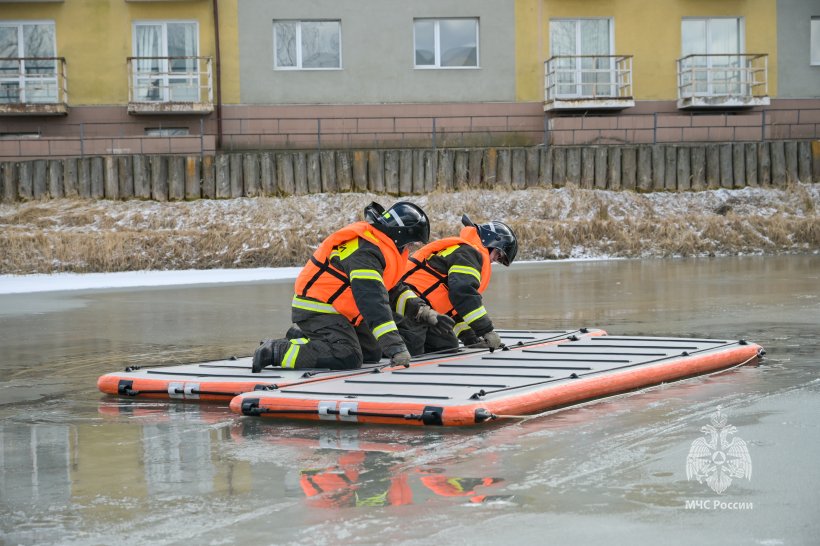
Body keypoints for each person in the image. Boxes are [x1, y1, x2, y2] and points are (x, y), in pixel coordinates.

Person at [252, 201, 430, 372]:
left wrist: (420, 310)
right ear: (400, 235)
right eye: (411, 243)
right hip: (319, 308)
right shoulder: (365, 252)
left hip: (340, 312)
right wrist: (396, 347)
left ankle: (303, 337)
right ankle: (275, 351)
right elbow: (372, 301)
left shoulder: (380, 246)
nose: (411, 248)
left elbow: (393, 289)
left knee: (371, 352)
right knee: (347, 356)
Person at [396, 214, 518, 355]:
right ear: (490, 242)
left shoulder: (466, 251)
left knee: (447, 345)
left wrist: (471, 339)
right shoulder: (468, 253)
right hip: (406, 305)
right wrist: (486, 330)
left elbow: (455, 309)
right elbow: (462, 294)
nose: (494, 260)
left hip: (427, 310)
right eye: (497, 255)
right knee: (412, 346)